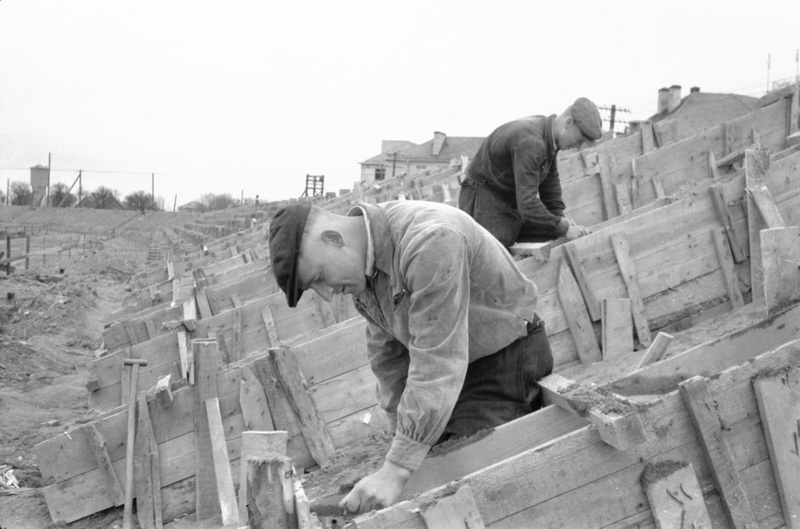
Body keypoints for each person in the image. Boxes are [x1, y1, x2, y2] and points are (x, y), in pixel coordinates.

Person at [269, 200, 553, 513]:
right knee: (420, 467)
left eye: (319, 277)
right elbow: (388, 358)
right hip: (459, 371)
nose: (326, 293)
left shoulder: (429, 240)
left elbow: (438, 357)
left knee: (465, 483)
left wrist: (396, 468)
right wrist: (398, 440)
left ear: (334, 238)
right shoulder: (365, 269)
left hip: (507, 357)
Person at [459, 97, 603, 248]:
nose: (578, 147)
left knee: (550, 231)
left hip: (503, 200)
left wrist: (560, 218)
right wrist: (563, 228)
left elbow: (550, 187)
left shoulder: (548, 134)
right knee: (493, 254)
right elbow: (527, 203)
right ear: (568, 123)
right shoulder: (532, 142)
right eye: (580, 140)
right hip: (482, 200)